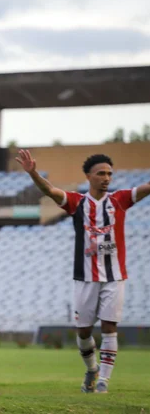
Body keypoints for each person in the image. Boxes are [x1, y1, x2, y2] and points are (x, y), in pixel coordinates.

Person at [16, 150, 150, 393]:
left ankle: (103, 382)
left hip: (114, 276)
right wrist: (33, 172)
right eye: (101, 173)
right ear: (89, 176)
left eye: (109, 173)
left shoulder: (120, 199)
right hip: (85, 277)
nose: (106, 178)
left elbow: (146, 187)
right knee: (84, 331)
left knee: (110, 327)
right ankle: (92, 369)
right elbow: (50, 191)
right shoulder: (78, 203)